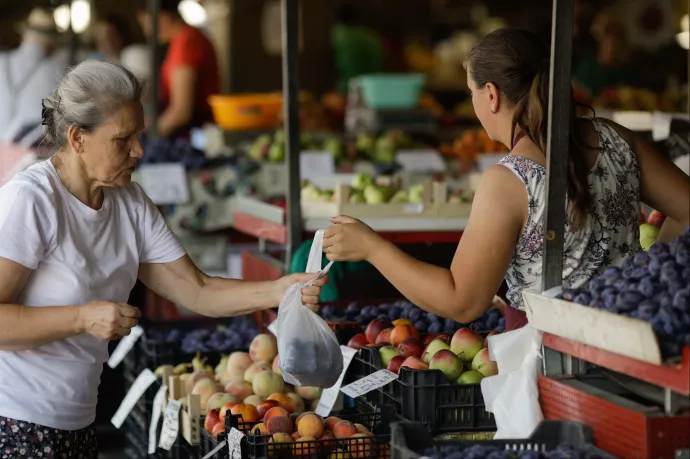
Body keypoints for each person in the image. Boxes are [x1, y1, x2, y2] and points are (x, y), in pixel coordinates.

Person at [0, 61, 325, 457]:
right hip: (15, 421)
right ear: (77, 138)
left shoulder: (129, 202)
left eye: (139, 135)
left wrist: (279, 290)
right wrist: (83, 317)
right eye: (123, 139)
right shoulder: (31, 201)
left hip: (76, 419)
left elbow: (197, 289)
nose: (139, 150)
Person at [322, 28, 690, 331]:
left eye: (471, 94)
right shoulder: (616, 138)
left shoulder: (510, 180)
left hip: (552, 360)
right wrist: (649, 271)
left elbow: (462, 300)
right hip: (634, 340)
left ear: (492, 96)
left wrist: (373, 248)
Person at [137, 0, 220, 139]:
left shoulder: (188, 42)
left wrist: (150, 138)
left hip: (195, 137)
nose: (147, 32)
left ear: (163, 17)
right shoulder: (179, 42)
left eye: (146, 24)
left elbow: (181, 111)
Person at [0, 7, 69, 144]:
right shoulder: (59, 69)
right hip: (32, 150)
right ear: (52, 40)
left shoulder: (3, 60)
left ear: (24, 34)